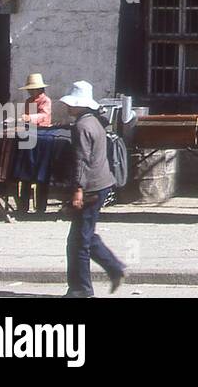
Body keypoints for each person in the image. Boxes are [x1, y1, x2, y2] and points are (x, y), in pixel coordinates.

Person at [60, 81, 126, 298]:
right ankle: (114, 267)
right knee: (84, 234)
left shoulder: (81, 127)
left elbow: (81, 161)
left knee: (78, 241)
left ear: (80, 105)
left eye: (72, 104)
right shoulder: (96, 121)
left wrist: (78, 189)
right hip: (101, 183)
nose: (68, 107)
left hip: (90, 188)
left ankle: (81, 289)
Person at [15, 73, 53, 215]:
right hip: (28, 136)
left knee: (41, 173)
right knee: (26, 172)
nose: (30, 91)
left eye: (32, 89)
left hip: (42, 136)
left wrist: (29, 117)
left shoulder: (46, 101)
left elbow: (44, 115)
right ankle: (23, 206)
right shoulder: (28, 101)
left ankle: (40, 207)